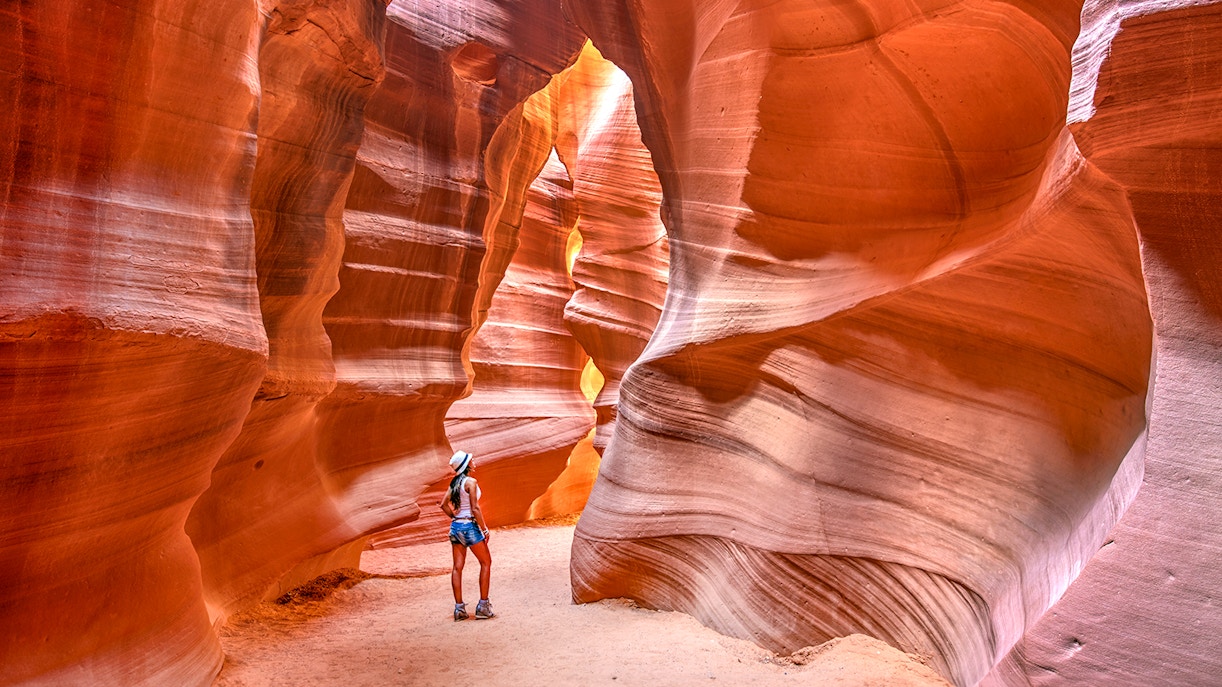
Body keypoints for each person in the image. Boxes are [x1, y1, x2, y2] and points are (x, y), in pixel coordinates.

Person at [440, 449, 494, 621]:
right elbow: (475, 508)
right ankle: (483, 607)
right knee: (486, 562)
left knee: (457, 567)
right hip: (470, 526)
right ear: (466, 465)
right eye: (471, 460)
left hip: (456, 527)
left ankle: (459, 609)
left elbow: (443, 504)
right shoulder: (471, 482)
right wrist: (484, 529)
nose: (473, 461)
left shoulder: (454, 483)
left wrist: (455, 517)